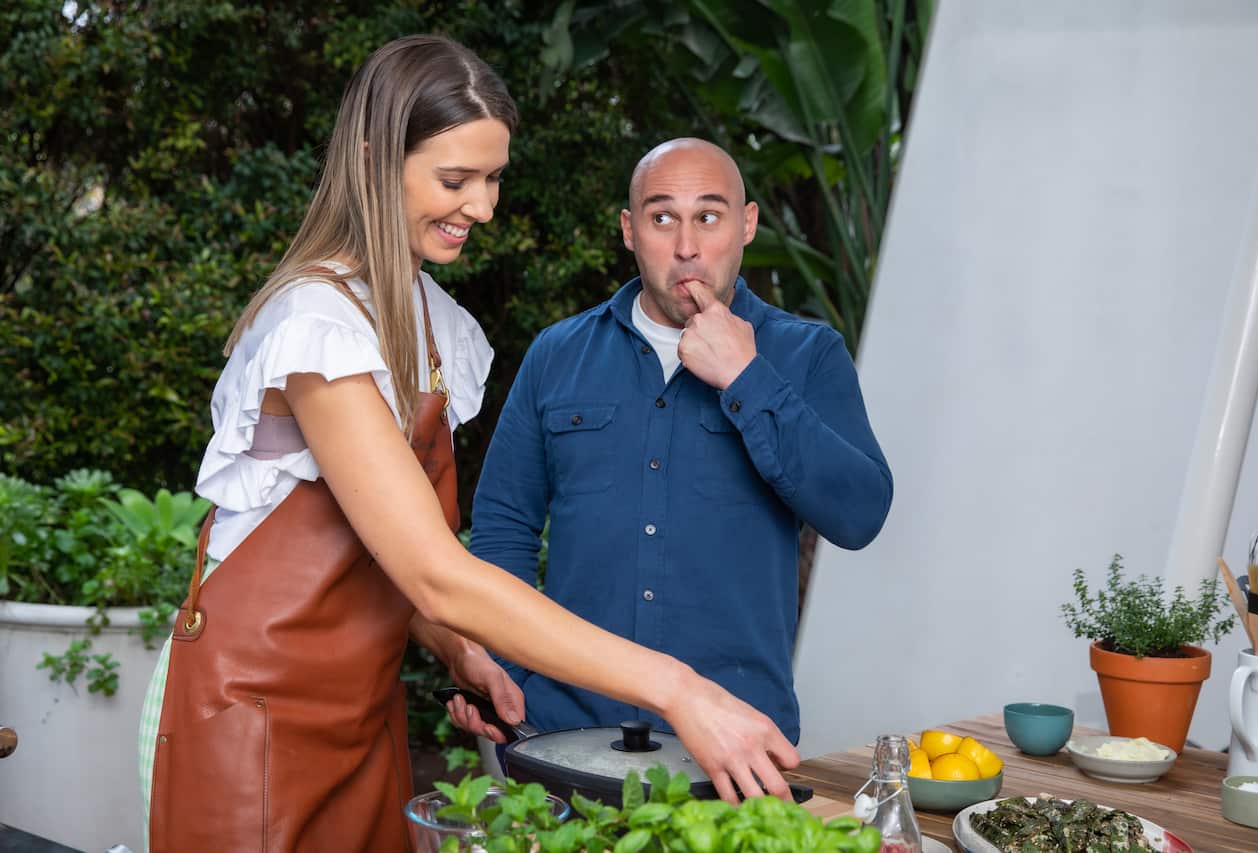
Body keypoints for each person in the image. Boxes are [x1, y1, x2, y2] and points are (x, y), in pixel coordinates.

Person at [138, 40, 798, 852]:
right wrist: (680, 689)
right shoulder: (316, 325)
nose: (483, 206)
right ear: (378, 160)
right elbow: (435, 571)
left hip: (361, 709)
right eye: (456, 180)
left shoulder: (437, 327)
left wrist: (459, 646)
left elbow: (386, 554)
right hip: (251, 711)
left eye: (492, 178)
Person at [468, 137, 893, 748]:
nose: (687, 246)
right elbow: (504, 528)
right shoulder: (558, 354)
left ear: (746, 225)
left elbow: (860, 515)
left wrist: (746, 377)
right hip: (565, 732)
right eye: (662, 217)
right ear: (628, 230)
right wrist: (507, 675)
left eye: (709, 217)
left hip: (737, 740)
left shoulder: (807, 355)